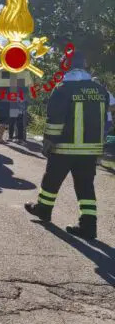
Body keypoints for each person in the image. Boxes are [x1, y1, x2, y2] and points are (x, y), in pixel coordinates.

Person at [24, 51, 109, 239]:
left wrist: (48, 142)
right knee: (85, 186)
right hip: (90, 150)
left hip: (64, 148)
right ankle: (89, 226)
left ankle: (43, 210)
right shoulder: (100, 90)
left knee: (51, 181)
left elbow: (55, 120)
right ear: (85, 65)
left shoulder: (63, 88)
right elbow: (106, 119)